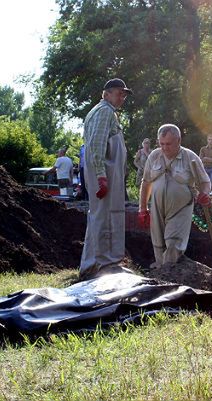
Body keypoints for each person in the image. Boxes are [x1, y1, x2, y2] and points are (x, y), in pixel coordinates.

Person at [79, 78, 132, 280]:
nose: (122, 97)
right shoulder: (105, 112)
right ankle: (104, 263)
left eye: (124, 94)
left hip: (106, 173)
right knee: (105, 216)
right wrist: (101, 176)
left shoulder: (102, 111)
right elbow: (97, 145)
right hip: (104, 174)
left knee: (100, 215)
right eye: (119, 93)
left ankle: (94, 263)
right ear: (107, 93)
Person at [138, 124, 211, 266]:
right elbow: (146, 182)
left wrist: (205, 194)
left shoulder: (190, 157)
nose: (165, 148)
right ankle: (161, 273)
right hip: (157, 207)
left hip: (180, 208)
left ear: (179, 141)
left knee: (173, 243)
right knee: (158, 243)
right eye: (162, 143)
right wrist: (142, 209)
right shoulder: (154, 156)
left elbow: (205, 182)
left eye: (169, 144)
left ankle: (170, 270)